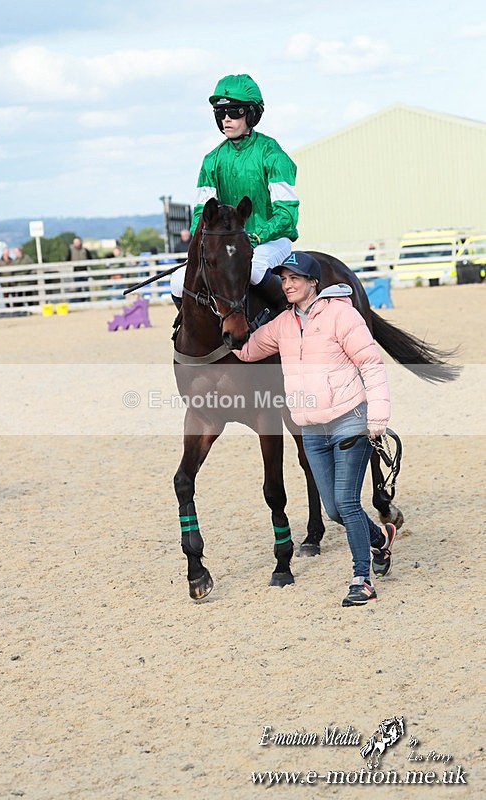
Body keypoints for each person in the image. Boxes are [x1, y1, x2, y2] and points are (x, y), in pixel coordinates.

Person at [234, 251, 396, 607]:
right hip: (312, 429)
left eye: (295, 278)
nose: (287, 285)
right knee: (335, 510)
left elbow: (370, 363)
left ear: (313, 282)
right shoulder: (282, 324)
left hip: (350, 419)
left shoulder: (342, 314)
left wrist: (378, 417)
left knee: (347, 503)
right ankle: (381, 539)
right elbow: (247, 350)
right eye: (284, 279)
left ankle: (362, 580)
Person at [170, 73, 299, 309]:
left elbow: (287, 215)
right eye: (220, 113)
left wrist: (256, 236)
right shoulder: (211, 160)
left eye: (234, 112)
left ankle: (290, 317)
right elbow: (201, 212)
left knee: (254, 271)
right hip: (229, 244)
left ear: (251, 114)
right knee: (178, 282)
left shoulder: (273, 155)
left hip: (271, 240)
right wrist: (200, 246)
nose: (226, 119)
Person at [66, 236, 91, 301]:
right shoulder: (71, 250)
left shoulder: (85, 250)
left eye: (77, 242)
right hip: (76, 271)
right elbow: (67, 259)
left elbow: (90, 259)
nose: (76, 243)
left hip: (85, 270)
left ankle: (88, 300)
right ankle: (79, 301)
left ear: (80, 242)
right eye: (75, 242)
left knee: (86, 287)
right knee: (78, 287)